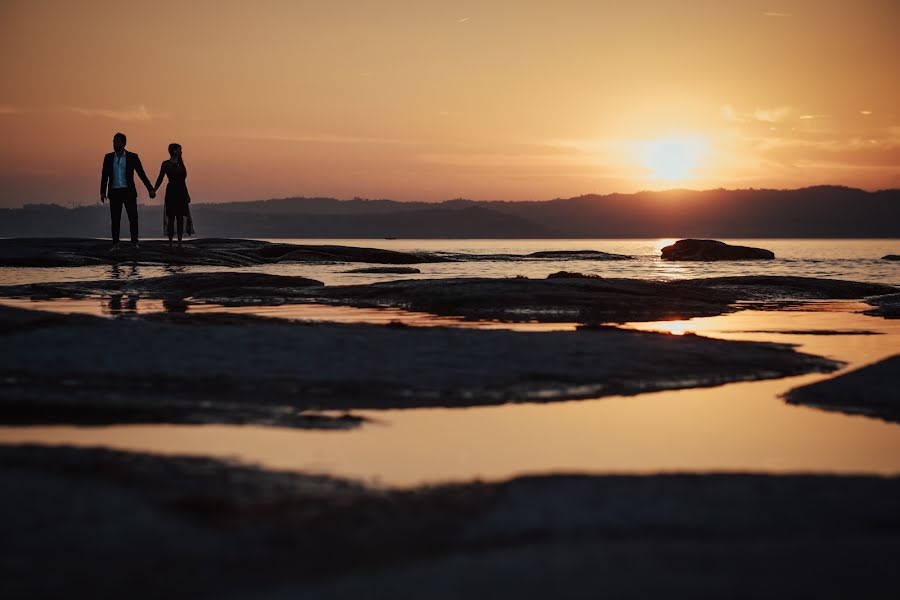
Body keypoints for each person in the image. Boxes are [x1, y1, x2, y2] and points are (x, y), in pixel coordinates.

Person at [99, 132, 155, 252]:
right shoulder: (108, 157)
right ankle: (115, 244)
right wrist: (102, 192)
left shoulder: (132, 157)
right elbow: (104, 176)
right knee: (115, 219)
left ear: (124, 143)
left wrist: (150, 189)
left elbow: (141, 174)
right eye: (114, 141)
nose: (115, 144)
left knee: (133, 218)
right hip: (114, 192)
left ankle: (134, 243)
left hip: (128, 192)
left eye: (117, 141)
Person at [153, 143, 194, 250]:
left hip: (181, 192)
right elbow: (160, 178)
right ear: (174, 151)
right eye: (179, 150)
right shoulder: (165, 164)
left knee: (180, 218)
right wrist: (154, 190)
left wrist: (187, 194)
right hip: (171, 192)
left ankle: (180, 243)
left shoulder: (181, 164)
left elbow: (183, 181)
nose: (181, 152)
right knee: (171, 217)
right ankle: (170, 243)